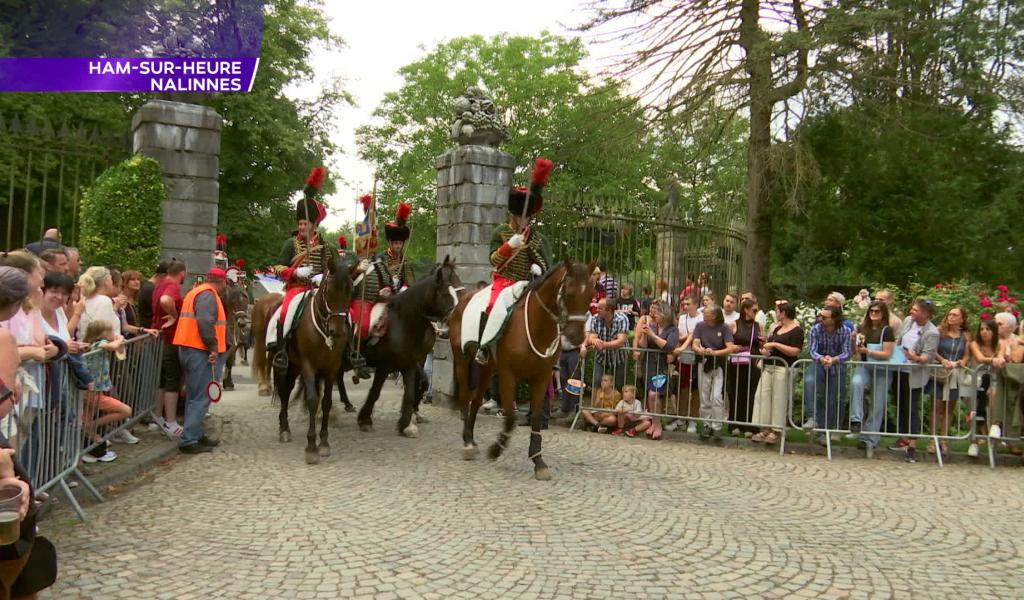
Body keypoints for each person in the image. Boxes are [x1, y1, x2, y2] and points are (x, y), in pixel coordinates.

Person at [473, 158, 553, 365]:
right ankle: (484, 347)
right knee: (492, 305)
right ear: (513, 215)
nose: (526, 221)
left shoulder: (535, 236)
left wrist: (538, 268)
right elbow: (493, 260)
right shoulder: (501, 232)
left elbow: (546, 265)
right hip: (504, 281)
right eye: (522, 217)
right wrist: (509, 245)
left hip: (527, 283)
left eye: (528, 217)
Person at [268, 167, 334, 357]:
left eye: (305, 224)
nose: (302, 227)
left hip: (318, 289)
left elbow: (331, 268)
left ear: (314, 225)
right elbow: (278, 267)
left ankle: (344, 353)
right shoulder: (291, 243)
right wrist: (295, 273)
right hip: (296, 288)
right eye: (300, 224)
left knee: (341, 316)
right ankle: (280, 350)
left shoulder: (325, 246)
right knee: (284, 314)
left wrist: (323, 276)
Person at [172, 268, 229, 454]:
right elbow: (205, 321)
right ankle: (189, 440)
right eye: (225, 284)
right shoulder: (208, 295)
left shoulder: (195, 291)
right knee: (201, 397)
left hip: (189, 349)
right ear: (221, 282)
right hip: (200, 351)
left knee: (193, 395)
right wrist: (212, 347)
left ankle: (195, 433)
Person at [889, 299, 939, 463]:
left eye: (915, 310)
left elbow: (928, 356)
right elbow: (900, 340)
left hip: (914, 372)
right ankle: (902, 438)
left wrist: (914, 357)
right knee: (900, 404)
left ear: (925, 314)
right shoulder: (908, 321)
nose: (912, 311)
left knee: (911, 407)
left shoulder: (932, 332)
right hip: (899, 369)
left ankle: (912, 445)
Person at [750, 301, 804, 444]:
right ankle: (764, 428)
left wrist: (775, 344)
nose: (776, 313)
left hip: (783, 367)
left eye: (778, 311)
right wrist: (767, 351)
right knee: (763, 396)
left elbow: (795, 351)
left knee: (779, 399)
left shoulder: (797, 330)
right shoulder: (777, 328)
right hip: (769, 366)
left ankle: (777, 430)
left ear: (784, 313)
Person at [80, 320, 133, 462]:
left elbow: (119, 352)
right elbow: (113, 346)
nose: (113, 334)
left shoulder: (99, 344)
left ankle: (91, 448)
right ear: (101, 334)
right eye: (109, 331)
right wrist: (120, 338)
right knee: (125, 410)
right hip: (91, 392)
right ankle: (90, 429)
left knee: (85, 420)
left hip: (96, 391)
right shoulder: (98, 344)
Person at [848, 300, 895, 452]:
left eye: (877, 311)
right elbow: (857, 349)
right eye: (871, 311)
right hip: (864, 365)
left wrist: (869, 352)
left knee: (878, 403)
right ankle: (856, 419)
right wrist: (853, 341)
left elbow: (888, 353)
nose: (873, 314)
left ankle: (869, 438)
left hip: (882, 368)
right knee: (856, 383)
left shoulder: (887, 330)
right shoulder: (863, 328)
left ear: (883, 314)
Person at [802, 305, 851, 444]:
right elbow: (812, 350)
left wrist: (835, 359)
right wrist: (822, 358)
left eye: (824, 317)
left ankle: (826, 433)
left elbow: (847, 352)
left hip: (837, 366)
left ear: (834, 319)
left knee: (833, 399)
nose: (820, 319)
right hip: (819, 363)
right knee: (809, 382)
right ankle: (813, 418)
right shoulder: (815, 329)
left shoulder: (845, 331)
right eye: (820, 316)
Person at [926, 307, 970, 455]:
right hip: (939, 373)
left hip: (955, 374)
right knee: (936, 406)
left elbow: (966, 355)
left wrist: (962, 362)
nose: (951, 317)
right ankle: (932, 439)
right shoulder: (939, 332)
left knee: (949, 407)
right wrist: (942, 360)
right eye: (949, 314)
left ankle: (944, 439)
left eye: (955, 315)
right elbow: (933, 350)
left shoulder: (965, 336)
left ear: (962, 319)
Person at [151, 260, 187, 438]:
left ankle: (158, 417)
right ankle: (171, 421)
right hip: (170, 338)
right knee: (171, 379)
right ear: (182, 273)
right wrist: (174, 315)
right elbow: (166, 300)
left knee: (162, 380)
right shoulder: (172, 286)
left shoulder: (160, 283)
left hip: (159, 337)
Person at [691, 304, 735, 440]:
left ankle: (717, 426)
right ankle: (706, 425)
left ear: (714, 315)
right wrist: (702, 351)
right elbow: (695, 344)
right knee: (704, 396)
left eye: (707, 312)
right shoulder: (700, 326)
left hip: (718, 365)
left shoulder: (724, 328)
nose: (704, 314)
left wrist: (715, 353)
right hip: (704, 363)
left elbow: (730, 348)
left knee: (716, 396)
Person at [668, 295, 703, 434]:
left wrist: (687, 338)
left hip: (697, 358)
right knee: (683, 389)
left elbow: (697, 336)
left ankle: (693, 420)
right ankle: (681, 419)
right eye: (684, 303)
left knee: (695, 391)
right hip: (683, 358)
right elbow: (680, 336)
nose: (685, 306)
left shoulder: (701, 318)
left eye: (688, 303)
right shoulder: (682, 318)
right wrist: (685, 338)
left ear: (695, 304)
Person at [582, 298, 630, 398]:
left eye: (600, 308)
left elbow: (621, 341)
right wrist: (595, 341)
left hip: (619, 357)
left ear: (609, 310)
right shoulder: (595, 318)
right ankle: (594, 410)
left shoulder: (622, 319)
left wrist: (603, 344)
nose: (597, 309)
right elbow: (591, 336)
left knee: (619, 384)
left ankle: (617, 411)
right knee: (596, 381)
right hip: (601, 356)